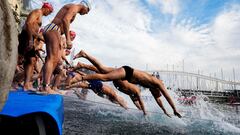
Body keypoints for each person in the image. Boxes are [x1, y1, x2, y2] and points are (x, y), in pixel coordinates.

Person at [73, 50, 182, 118]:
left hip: (126, 77)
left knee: (102, 69)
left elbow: (159, 101)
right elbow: (167, 97)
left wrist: (165, 112)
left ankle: (84, 61)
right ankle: (81, 77)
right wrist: (174, 109)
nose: (159, 94)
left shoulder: (153, 89)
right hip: (127, 72)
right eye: (159, 93)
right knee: (105, 77)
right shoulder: (158, 83)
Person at [41, 1, 90, 94]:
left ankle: (47, 86)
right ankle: (45, 87)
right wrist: (68, 39)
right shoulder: (75, 7)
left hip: (55, 30)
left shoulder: (73, 8)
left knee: (54, 60)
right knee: (52, 59)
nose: (86, 13)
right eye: (87, 11)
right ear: (85, 7)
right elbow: (66, 20)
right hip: (54, 29)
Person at [18, 2, 53, 90]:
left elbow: (35, 30)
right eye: (50, 11)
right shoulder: (37, 11)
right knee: (18, 59)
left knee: (32, 60)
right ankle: (14, 81)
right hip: (26, 36)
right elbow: (28, 24)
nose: (49, 14)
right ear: (46, 8)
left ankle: (26, 84)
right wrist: (30, 39)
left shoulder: (40, 15)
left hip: (30, 37)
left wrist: (37, 38)